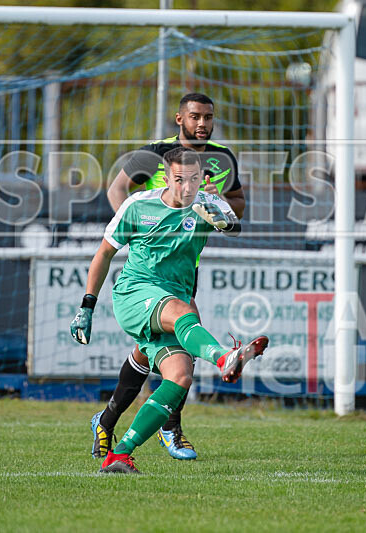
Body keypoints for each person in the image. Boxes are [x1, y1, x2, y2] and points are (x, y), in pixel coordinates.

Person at [71, 146, 268, 474]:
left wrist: (216, 204)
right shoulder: (139, 204)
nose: (187, 188)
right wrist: (86, 307)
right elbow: (104, 254)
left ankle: (119, 454)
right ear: (167, 177)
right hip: (134, 295)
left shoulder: (206, 205)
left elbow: (234, 228)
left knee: (179, 377)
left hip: (171, 299)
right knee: (182, 309)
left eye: (193, 180)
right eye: (179, 180)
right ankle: (223, 357)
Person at [90, 93, 244, 461]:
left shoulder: (223, 157)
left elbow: (238, 205)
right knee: (186, 329)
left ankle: (108, 420)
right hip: (147, 268)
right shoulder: (153, 152)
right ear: (179, 119)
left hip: (183, 269)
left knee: (153, 349)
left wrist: (219, 202)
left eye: (208, 116)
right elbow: (117, 191)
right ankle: (172, 427)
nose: (202, 123)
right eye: (195, 117)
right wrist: (140, 230)